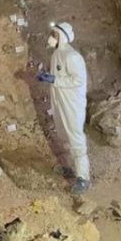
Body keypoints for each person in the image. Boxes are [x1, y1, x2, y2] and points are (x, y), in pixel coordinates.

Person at [37, 22, 90, 194]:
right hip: (60, 102)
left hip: (72, 104)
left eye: (54, 35)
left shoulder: (72, 57)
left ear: (62, 37)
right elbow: (59, 76)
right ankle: (71, 168)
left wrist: (54, 80)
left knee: (75, 137)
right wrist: (48, 77)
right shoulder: (56, 54)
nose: (51, 38)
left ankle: (83, 178)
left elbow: (78, 80)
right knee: (64, 134)